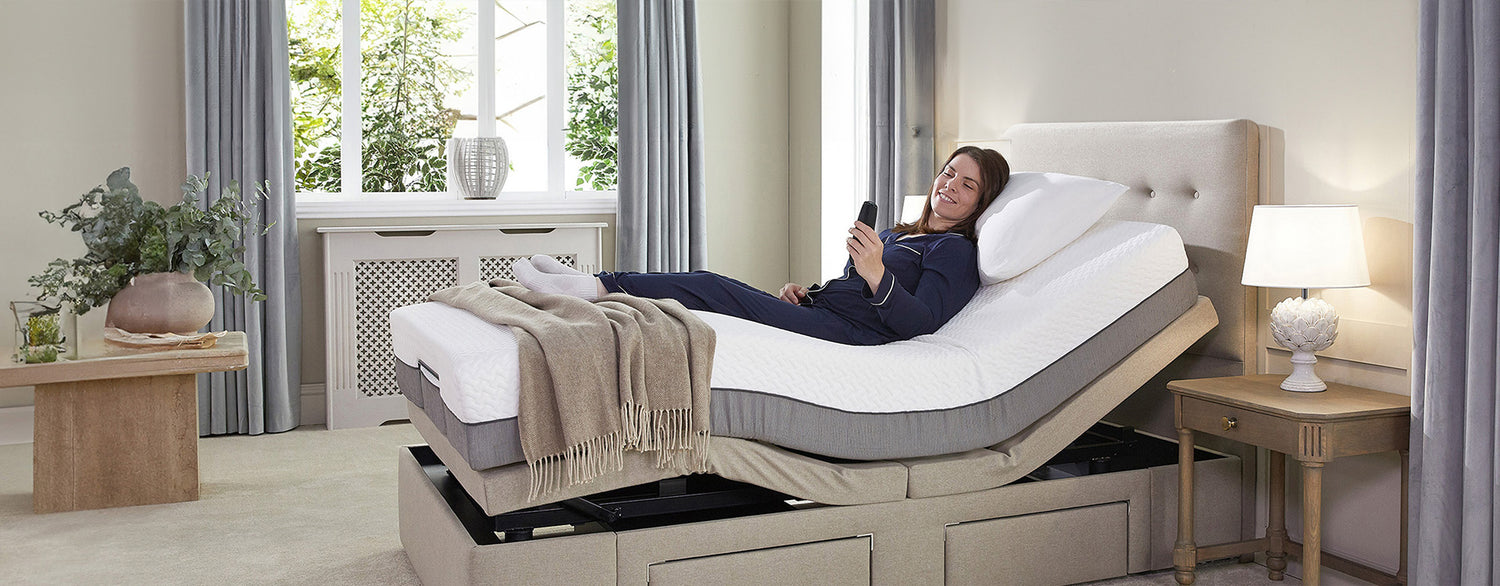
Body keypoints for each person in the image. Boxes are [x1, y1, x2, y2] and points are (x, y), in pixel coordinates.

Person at [512, 146, 1011, 345]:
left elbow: (921, 323)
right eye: (949, 171)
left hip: (854, 336)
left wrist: (878, 272)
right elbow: (851, 286)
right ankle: (592, 286)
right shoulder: (902, 233)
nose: (950, 184)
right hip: (828, 313)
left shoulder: (955, 252)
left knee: (711, 287)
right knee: (722, 285)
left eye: (968, 184)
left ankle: (595, 285)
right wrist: (807, 292)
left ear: (981, 200)